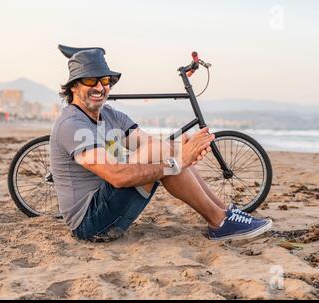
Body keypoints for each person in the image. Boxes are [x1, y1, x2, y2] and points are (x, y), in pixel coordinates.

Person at [50, 47, 272, 242]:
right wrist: (175, 160)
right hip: (90, 224)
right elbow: (117, 176)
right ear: (73, 87)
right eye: (91, 81)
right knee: (171, 159)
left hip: (111, 210)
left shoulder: (110, 115)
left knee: (171, 153)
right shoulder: (72, 124)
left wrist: (181, 148)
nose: (100, 87)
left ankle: (224, 213)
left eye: (105, 80)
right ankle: (219, 221)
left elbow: (150, 144)